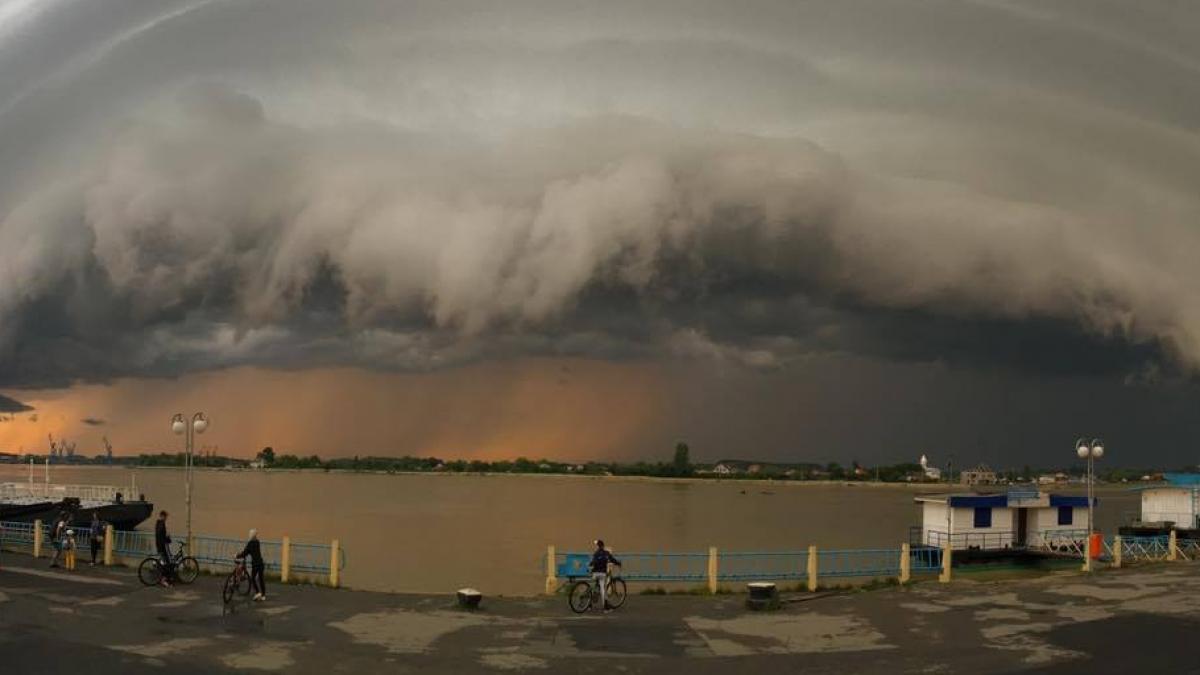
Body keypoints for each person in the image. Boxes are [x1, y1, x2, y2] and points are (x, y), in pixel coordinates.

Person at [589, 539, 621, 612]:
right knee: (603, 590)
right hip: (602, 573)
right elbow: (613, 560)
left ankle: (589, 605)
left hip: (594, 573)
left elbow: (592, 562)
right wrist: (618, 563)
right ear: (603, 546)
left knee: (595, 588)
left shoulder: (596, 553)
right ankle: (606, 608)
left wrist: (590, 565)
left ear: (598, 546)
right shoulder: (606, 553)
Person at [237, 528, 267, 601]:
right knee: (261, 579)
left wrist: (237, 555)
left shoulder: (250, 543)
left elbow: (245, 553)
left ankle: (257, 592)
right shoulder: (257, 542)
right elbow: (249, 551)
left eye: (250, 534)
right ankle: (263, 595)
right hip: (261, 563)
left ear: (251, 535)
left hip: (255, 564)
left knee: (253, 578)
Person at [154, 510, 173, 586]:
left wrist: (166, 538)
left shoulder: (158, 523)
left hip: (159, 545)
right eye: (165, 516)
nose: (166, 518)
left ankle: (164, 578)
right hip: (162, 546)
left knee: (164, 561)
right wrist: (167, 539)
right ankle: (163, 579)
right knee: (167, 563)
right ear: (162, 516)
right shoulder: (162, 524)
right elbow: (161, 536)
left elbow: (160, 535)